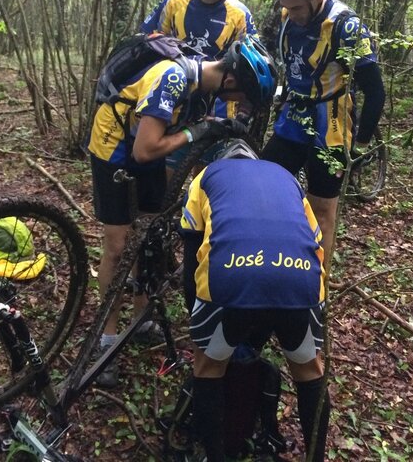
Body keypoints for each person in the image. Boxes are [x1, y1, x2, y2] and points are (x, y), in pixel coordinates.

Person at [86, 36, 276, 388]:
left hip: (147, 146)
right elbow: (146, 150)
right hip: (114, 148)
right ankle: (106, 338)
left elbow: (170, 133)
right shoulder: (173, 78)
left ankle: (140, 317)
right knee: (117, 247)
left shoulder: (204, 84)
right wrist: (198, 130)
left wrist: (210, 126)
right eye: (240, 98)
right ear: (231, 80)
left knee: (149, 233)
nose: (237, 105)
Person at [178, 139, 330, 462]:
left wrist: (203, 330)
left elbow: (191, 267)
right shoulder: (287, 177)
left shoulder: (203, 178)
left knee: (208, 368)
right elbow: (315, 242)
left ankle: (216, 456)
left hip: (231, 277)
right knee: (309, 372)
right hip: (300, 279)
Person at [262, 0, 385, 256]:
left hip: (331, 122)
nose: (290, 13)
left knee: (321, 211)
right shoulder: (287, 16)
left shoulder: (346, 27)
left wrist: (361, 143)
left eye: (297, 7)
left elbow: (376, 90)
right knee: (263, 187)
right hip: (293, 115)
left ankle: (318, 292)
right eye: (285, 6)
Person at [140, 0, 256, 122]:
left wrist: (243, 114)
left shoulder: (240, 15)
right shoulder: (173, 4)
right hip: (171, 103)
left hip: (218, 111)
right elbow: (146, 50)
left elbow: (251, 69)